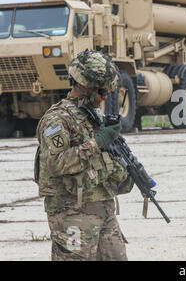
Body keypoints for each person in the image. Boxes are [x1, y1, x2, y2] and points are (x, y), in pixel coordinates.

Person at [35, 50, 135, 260]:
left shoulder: (92, 115)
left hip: (103, 207)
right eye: (101, 92)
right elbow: (57, 163)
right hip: (72, 212)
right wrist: (97, 142)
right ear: (85, 87)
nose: (105, 97)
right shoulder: (57, 120)